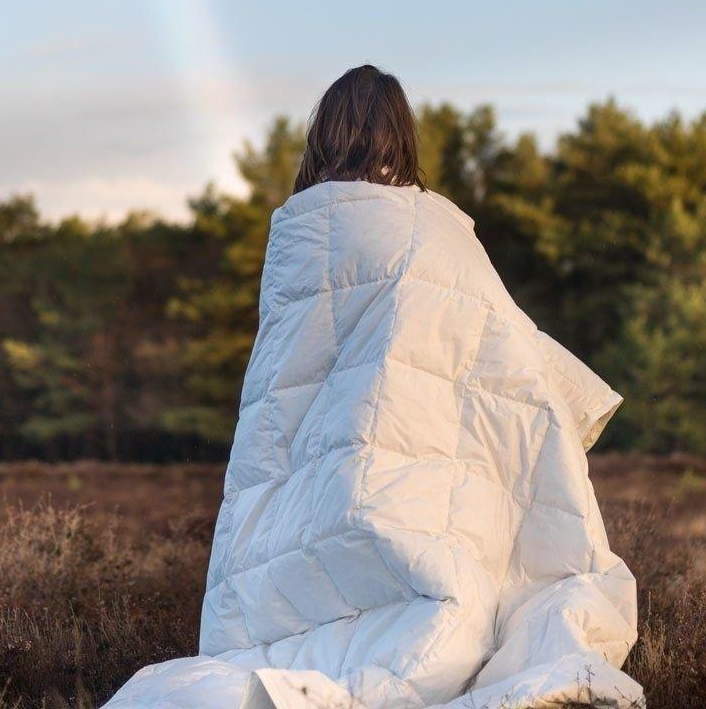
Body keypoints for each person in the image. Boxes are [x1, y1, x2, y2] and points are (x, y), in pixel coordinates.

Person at [105, 65, 641, 708]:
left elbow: (277, 394)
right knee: (445, 615)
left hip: (314, 496)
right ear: (403, 138)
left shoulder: (299, 237)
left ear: (321, 136)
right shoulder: (439, 234)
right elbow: (503, 347)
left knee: (278, 625)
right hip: (410, 489)